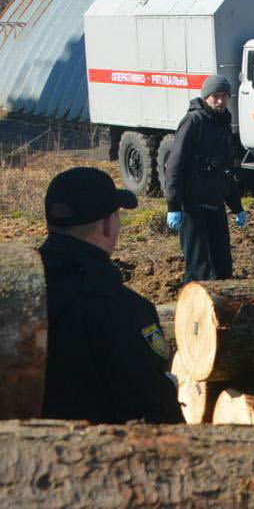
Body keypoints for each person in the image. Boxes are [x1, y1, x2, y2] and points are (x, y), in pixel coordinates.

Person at [37, 166, 182, 423]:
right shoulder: (125, 311)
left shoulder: (20, 292)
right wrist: (168, 389)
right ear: (108, 225)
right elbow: (155, 414)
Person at [162, 74, 247, 284]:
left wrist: (236, 206)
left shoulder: (224, 122)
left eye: (224, 96)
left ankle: (219, 311)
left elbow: (226, 169)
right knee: (200, 268)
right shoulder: (193, 121)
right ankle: (194, 311)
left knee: (223, 265)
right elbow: (174, 165)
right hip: (192, 205)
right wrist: (173, 205)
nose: (220, 101)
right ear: (206, 96)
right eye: (215, 96)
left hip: (215, 203)